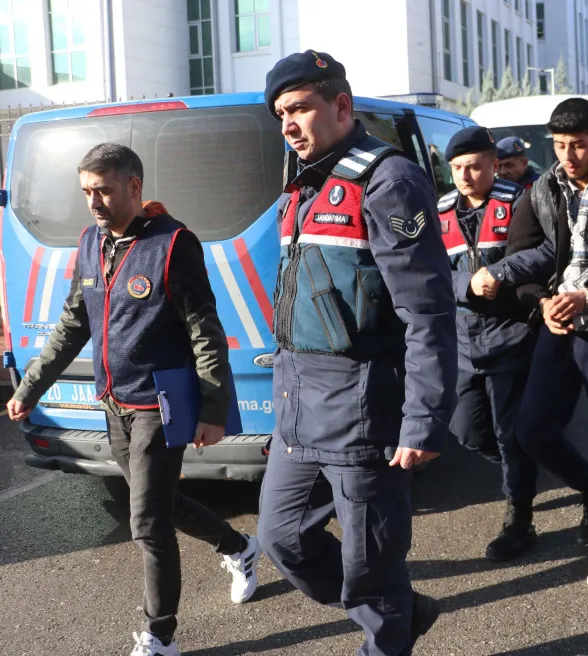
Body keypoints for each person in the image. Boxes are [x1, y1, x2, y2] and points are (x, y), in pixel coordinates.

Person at [6, 143, 259, 656]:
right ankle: (239, 546)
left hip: (156, 405)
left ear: (134, 187)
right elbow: (74, 322)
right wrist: (30, 386)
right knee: (161, 505)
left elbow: (204, 332)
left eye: (103, 190)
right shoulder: (90, 243)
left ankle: (160, 634)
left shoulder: (173, 244)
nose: (93, 202)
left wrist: (212, 410)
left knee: (145, 520)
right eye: (86, 192)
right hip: (112, 400)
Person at [254, 51, 457, 656]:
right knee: (281, 537)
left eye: (300, 108)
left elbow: (426, 312)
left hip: (365, 408)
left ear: (341, 105)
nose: (288, 123)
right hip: (299, 407)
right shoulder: (303, 184)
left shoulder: (388, 181)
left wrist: (422, 420)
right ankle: (402, 613)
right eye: (280, 113)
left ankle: (387, 625)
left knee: (373, 564)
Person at [481, 98, 588, 589]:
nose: (568, 155)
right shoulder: (540, 190)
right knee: (532, 431)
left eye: (577, 145)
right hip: (557, 326)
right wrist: (543, 303)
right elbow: (522, 265)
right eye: (559, 146)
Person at [436, 126, 539, 561]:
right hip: (461, 343)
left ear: (493, 165)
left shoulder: (520, 201)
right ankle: (520, 472)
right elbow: (426, 267)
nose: (465, 175)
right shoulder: (439, 210)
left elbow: (547, 251)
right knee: (467, 430)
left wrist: (502, 273)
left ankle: (520, 516)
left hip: (510, 336)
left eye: (474, 166)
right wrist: (467, 285)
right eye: (457, 168)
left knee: (508, 431)